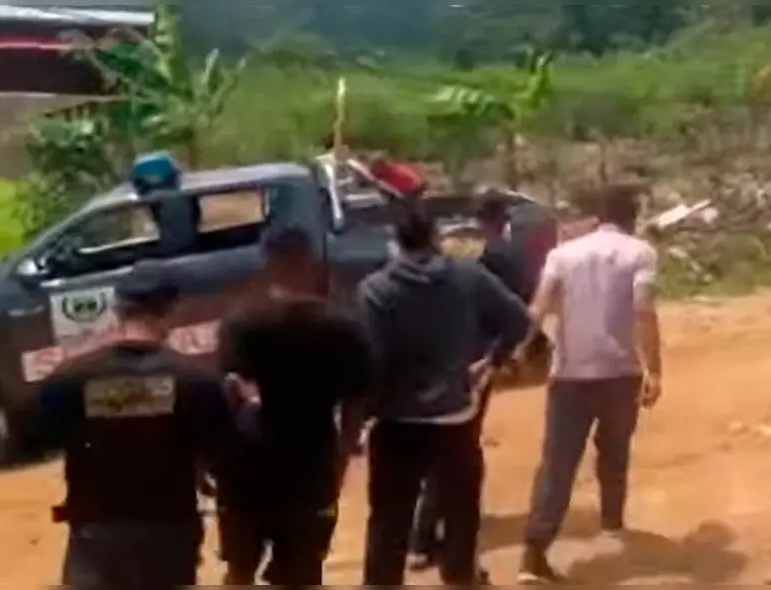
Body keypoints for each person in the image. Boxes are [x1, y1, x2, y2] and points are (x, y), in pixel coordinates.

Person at [32, 260, 235, 588]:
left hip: (96, 531)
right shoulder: (196, 381)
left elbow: (41, 439)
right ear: (174, 309)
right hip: (168, 530)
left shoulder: (70, 377)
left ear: (116, 309)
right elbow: (220, 454)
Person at [358, 203, 532, 586]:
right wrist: (492, 361)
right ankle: (459, 577)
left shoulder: (376, 290)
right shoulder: (469, 277)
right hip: (456, 416)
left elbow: (370, 359)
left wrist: (364, 413)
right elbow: (519, 320)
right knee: (460, 511)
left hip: (397, 422)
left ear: (395, 243)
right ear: (436, 239)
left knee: (389, 517)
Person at [517, 183, 661, 584]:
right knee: (614, 448)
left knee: (557, 464)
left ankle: (534, 553)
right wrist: (656, 369)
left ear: (598, 215)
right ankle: (612, 520)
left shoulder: (561, 255)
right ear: (631, 217)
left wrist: (516, 352)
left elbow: (538, 308)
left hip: (570, 375)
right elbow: (644, 311)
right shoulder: (641, 253)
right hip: (621, 371)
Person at [214, 226, 374, 586]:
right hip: (311, 463)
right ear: (309, 261)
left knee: (240, 570)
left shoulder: (241, 322)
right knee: (302, 573)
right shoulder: (343, 326)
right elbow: (354, 405)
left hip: (246, 466)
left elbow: (227, 392)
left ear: (267, 262)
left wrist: (215, 459)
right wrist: (340, 463)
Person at [411, 190, 532, 566]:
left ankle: (424, 535)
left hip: (422, 358)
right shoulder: (500, 254)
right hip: (471, 362)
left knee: (432, 445)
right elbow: (516, 311)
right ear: (500, 220)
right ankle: (431, 539)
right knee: (459, 446)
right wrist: (498, 358)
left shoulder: (443, 246)